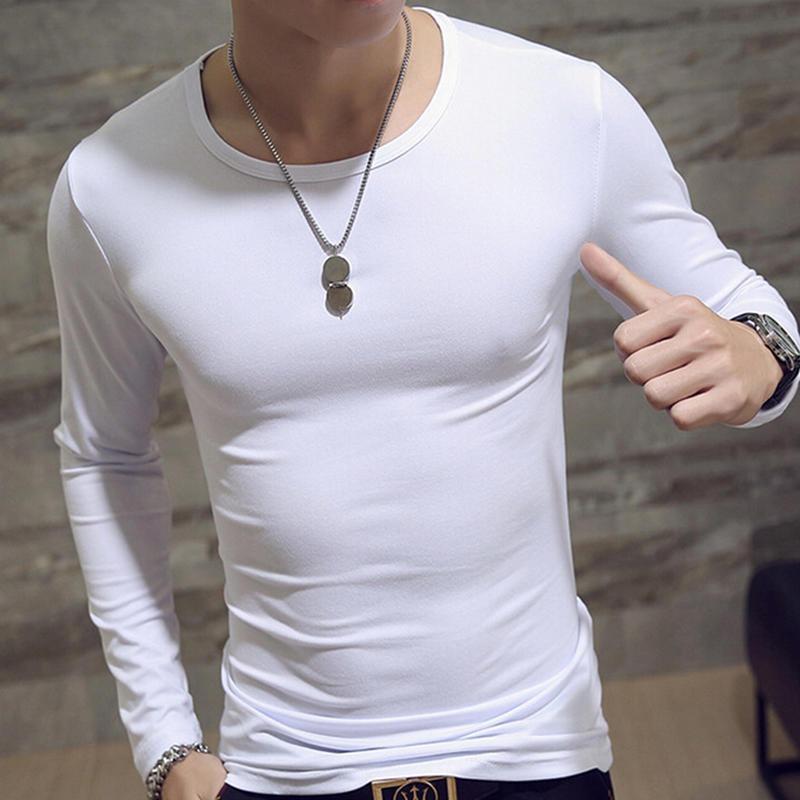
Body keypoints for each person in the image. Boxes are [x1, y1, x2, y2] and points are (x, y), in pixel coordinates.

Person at [45, 2, 800, 800]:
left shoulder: (565, 106)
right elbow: (104, 455)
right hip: (285, 765)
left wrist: (759, 357)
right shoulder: (110, 185)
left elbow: (756, 316)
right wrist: (164, 743)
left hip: (538, 751)